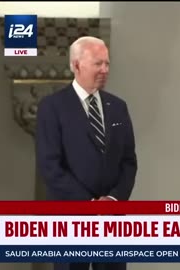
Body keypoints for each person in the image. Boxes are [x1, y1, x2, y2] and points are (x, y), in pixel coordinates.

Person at [35, 36, 137, 270]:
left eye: (107, 64)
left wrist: (112, 200)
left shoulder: (118, 107)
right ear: (76, 65)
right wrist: (90, 204)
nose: (105, 70)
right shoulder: (52, 107)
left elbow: (129, 162)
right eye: (98, 63)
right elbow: (50, 166)